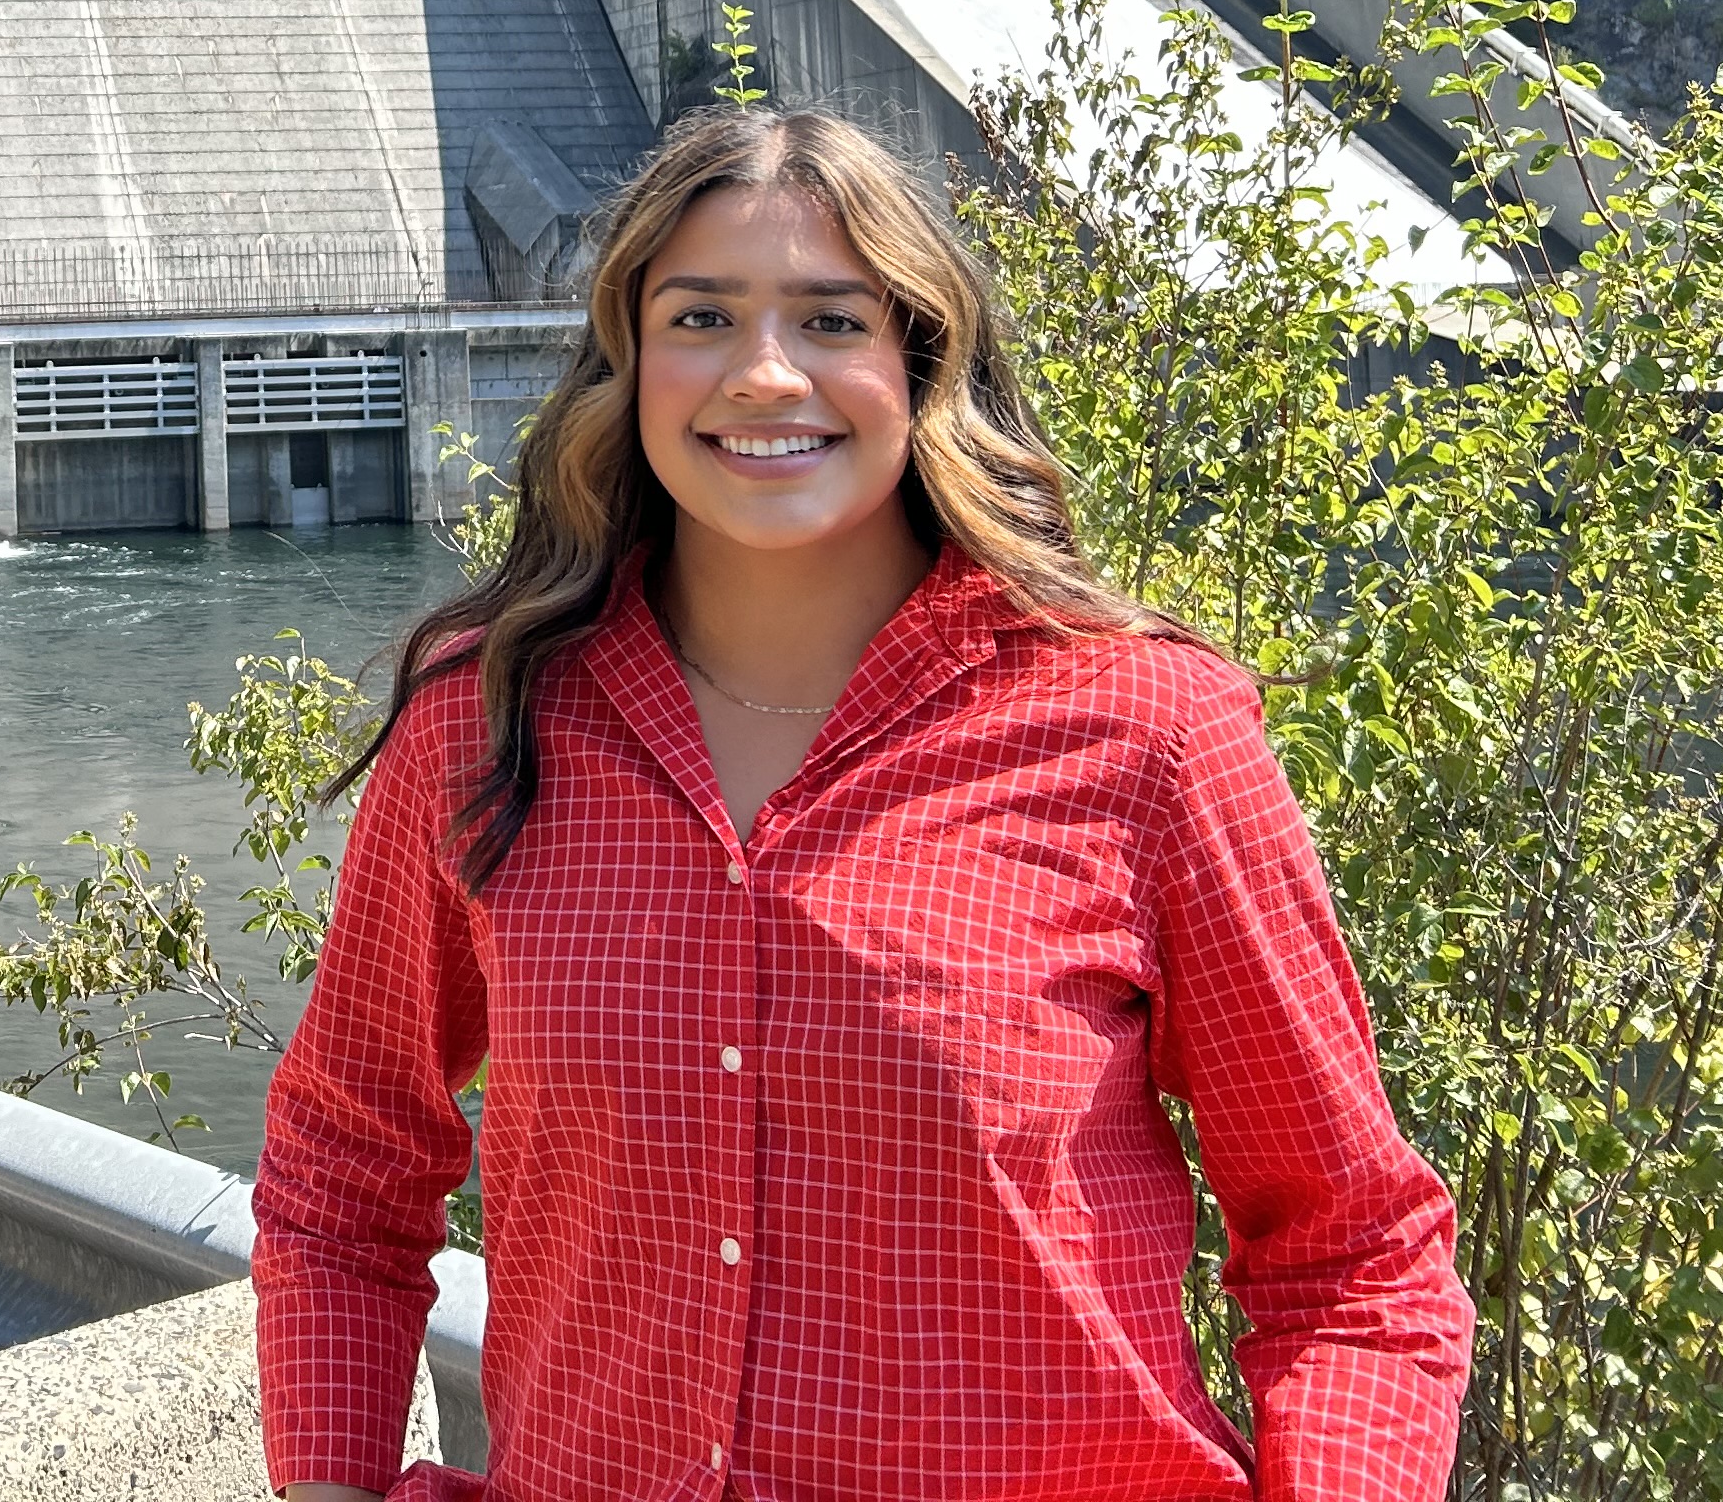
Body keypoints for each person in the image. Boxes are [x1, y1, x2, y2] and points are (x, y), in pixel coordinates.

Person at [254, 106, 1470, 1502]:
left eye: (832, 321)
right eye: (702, 315)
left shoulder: (1145, 734)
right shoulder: (489, 724)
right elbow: (344, 1177)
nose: (765, 375)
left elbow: (1352, 1255)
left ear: (922, 360)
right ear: (631, 361)